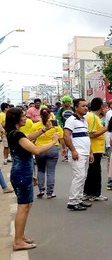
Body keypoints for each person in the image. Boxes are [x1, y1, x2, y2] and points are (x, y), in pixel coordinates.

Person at [5, 107, 60, 251]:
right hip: (21, 174)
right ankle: (18, 241)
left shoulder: (15, 133)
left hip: (23, 173)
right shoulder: (16, 134)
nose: (26, 118)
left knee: (26, 205)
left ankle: (21, 236)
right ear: (16, 119)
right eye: (23, 116)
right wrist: (53, 141)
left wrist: (44, 130)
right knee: (23, 207)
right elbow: (36, 150)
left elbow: (28, 138)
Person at [63, 99, 94, 211]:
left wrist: (91, 152)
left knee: (83, 176)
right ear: (76, 107)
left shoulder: (84, 121)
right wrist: (73, 151)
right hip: (78, 153)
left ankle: (79, 200)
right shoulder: (71, 120)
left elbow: (86, 137)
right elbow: (66, 136)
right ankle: (73, 201)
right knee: (79, 177)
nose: (86, 108)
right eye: (83, 106)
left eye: (86, 106)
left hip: (85, 153)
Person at [31, 108, 64, 199]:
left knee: (41, 170)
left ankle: (41, 190)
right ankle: (50, 192)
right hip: (52, 149)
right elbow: (61, 137)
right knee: (51, 172)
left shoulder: (36, 125)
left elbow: (32, 138)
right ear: (50, 115)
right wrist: (64, 149)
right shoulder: (55, 124)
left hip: (40, 149)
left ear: (40, 116)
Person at [83, 98, 108, 202]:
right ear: (101, 106)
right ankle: (95, 193)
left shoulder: (93, 116)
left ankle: (88, 192)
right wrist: (107, 128)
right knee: (95, 171)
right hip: (95, 148)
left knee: (93, 171)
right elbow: (91, 134)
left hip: (96, 148)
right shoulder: (93, 117)